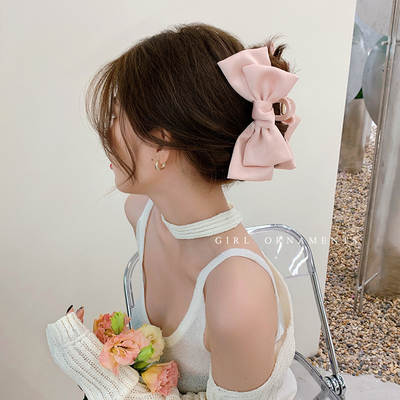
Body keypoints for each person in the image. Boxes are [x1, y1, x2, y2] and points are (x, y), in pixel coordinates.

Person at [46, 22, 301, 399]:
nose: (107, 133)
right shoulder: (142, 212)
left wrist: (97, 372)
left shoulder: (237, 297)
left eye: (116, 116)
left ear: (161, 144)